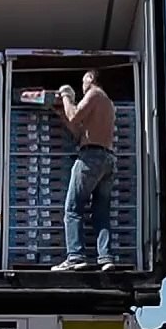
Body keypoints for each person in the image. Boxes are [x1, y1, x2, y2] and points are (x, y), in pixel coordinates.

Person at [51, 69, 118, 272]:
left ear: (90, 78)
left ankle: (75, 256)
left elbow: (74, 116)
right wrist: (61, 113)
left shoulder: (94, 93)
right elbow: (79, 131)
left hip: (91, 158)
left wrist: (66, 95)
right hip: (107, 159)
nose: (82, 86)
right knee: (100, 212)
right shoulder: (108, 104)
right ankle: (105, 258)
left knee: (73, 208)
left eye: (83, 81)